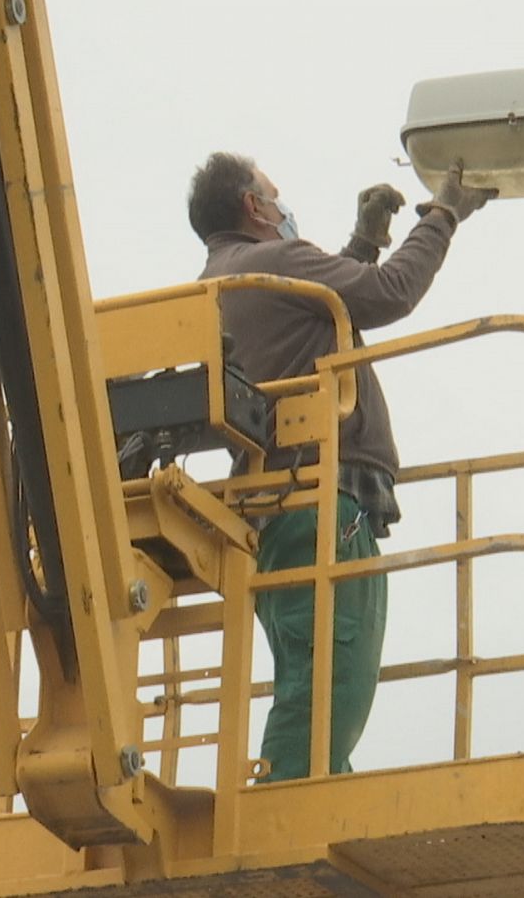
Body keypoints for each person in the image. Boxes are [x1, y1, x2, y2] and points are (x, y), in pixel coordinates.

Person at [187, 152, 494, 781]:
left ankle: (303, 788)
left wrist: (364, 242)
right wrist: (443, 215)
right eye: (275, 194)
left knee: (311, 671)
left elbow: (322, 314)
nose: (283, 205)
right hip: (324, 503)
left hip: (278, 509)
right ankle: (290, 807)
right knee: (330, 679)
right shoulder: (272, 263)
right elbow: (389, 296)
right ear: (254, 208)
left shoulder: (216, 286)